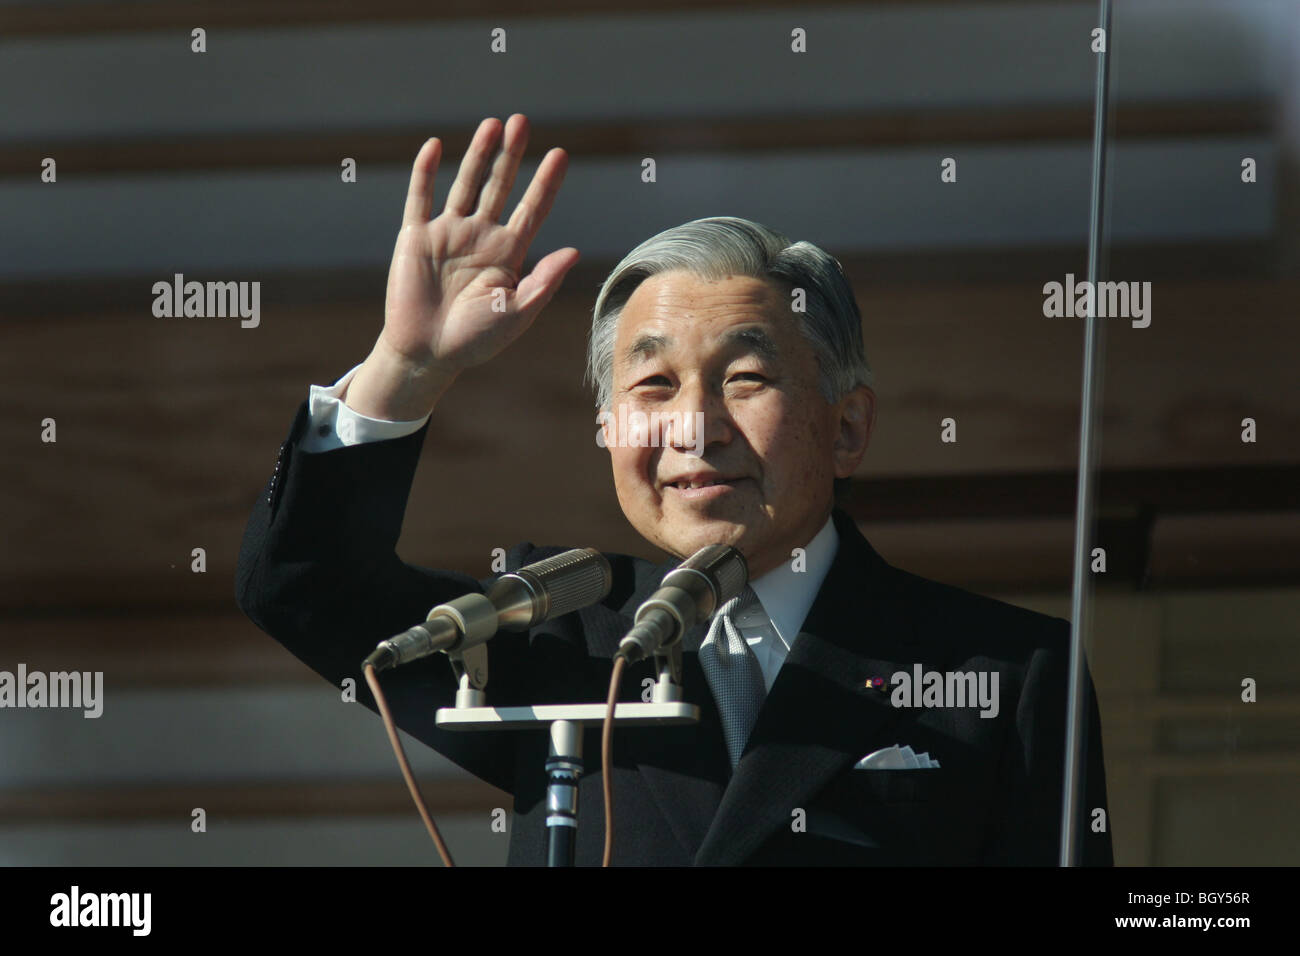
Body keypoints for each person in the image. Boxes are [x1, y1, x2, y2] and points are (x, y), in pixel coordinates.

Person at [235, 113, 1113, 866]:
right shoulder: (558, 633)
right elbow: (304, 586)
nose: (692, 427)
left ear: (847, 428)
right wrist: (406, 368)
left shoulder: (1003, 675)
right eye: (651, 389)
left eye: (743, 379)